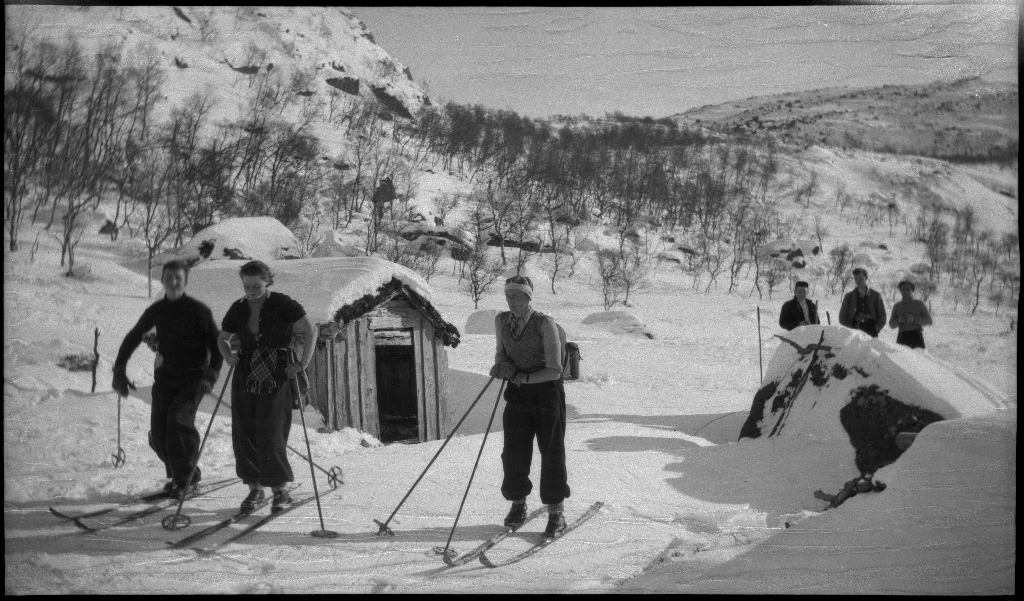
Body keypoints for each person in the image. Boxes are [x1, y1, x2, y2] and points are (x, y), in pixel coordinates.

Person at [112, 260, 222, 500]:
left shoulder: (198, 311)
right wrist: (119, 370)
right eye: (169, 278)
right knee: (160, 433)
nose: (173, 283)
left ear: (185, 281)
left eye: (178, 278)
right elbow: (133, 336)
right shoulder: (157, 311)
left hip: (193, 379)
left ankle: (187, 480)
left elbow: (216, 347)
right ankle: (181, 475)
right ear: (162, 280)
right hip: (165, 378)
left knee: (178, 423)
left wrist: (211, 374)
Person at [218, 260, 315, 513]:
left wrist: (302, 363)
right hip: (245, 372)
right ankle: (255, 491)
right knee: (245, 431)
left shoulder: (283, 303)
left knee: (271, 430)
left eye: (256, 285)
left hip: (277, 371)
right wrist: (228, 354)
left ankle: (280, 491)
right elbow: (222, 337)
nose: (251, 290)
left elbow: (309, 329)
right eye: (247, 286)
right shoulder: (238, 308)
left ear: (267, 281)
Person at [489, 274, 571, 538]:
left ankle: (556, 512)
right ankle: (518, 504)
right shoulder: (501, 321)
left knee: (552, 452)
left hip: (547, 393)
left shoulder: (544, 323)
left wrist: (522, 377)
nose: (511, 301)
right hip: (517, 395)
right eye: (508, 296)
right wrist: (502, 367)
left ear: (528, 297)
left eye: (517, 296)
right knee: (513, 453)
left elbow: (555, 370)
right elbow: (502, 354)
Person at [839, 267, 887, 338]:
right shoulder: (849, 297)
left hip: (871, 330)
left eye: (861, 278)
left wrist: (875, 329)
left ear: (866, 278)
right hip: (854, 330)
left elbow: (882, 316)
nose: (858, 281)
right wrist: (851, 328)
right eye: (856, 278)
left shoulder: (875, 296)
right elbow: (842, 317)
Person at [888, 280, 933, 349]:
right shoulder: (897, 306)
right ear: (900, 291)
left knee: (918, 359)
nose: (905, 292)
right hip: (902, 336)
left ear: (912, 290)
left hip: (916, 336)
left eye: (908, 289)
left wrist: (915, 319)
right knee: (901, 359)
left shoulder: (919, 304)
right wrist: (899, 320)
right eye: (903, 289)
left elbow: (929, 321)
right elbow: (891, 325)